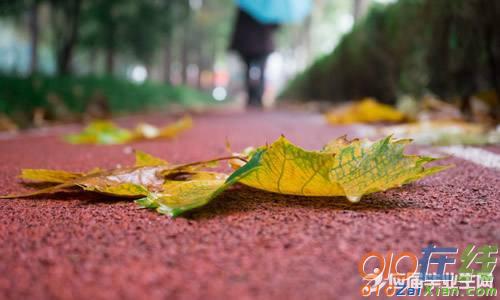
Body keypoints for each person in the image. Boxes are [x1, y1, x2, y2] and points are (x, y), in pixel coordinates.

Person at [229, 9, 279, 108]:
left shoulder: (247, 5)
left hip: (247, 44)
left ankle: (251, 98)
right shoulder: (267, 7)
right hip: (262, 43)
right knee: (261, 70)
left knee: (249, 70)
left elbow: (238, 25)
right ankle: (258, 97)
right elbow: (275, 26)